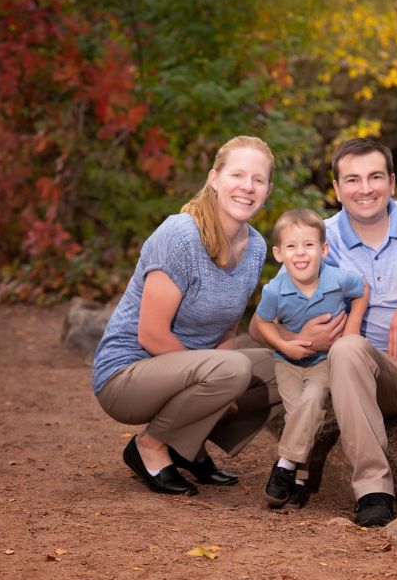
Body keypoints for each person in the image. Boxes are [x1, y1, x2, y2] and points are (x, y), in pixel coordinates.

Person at [250, 137, 397, 527]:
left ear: (392, 182)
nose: (365, 189)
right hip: (372, 382)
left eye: (375, 177)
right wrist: (295, 341)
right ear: (337, 189)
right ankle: (373, 489)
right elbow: (261, 323)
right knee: (347, 347)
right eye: (352, 180)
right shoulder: (318, 240)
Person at [92, 135, 282, 496]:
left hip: (192, 371)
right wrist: (223, 381)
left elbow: (227, 326)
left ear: (268, 189)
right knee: (235, 370)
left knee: (284, 368)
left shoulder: (255, 246)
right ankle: (150, 446)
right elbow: (150, 334)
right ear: (214, 178)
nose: (247, 187)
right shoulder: (180, 235)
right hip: (127, 374)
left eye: (258, 180)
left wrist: (222, 386)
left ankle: (186, 446)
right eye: (237, 175)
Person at [253, 208, 369, 508]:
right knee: (299, 416)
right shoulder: (274, 290)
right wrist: (285, 345)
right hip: (287, 363)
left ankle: (284, 466)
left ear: (323, 249)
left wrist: (352, 329)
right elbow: (263, 322)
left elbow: (363, 290)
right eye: (291, 246)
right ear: (278, 254)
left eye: (308, 245)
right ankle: (300, 480)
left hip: (322, 363)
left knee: (313, 399)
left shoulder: (338, 279)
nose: (300, 253)